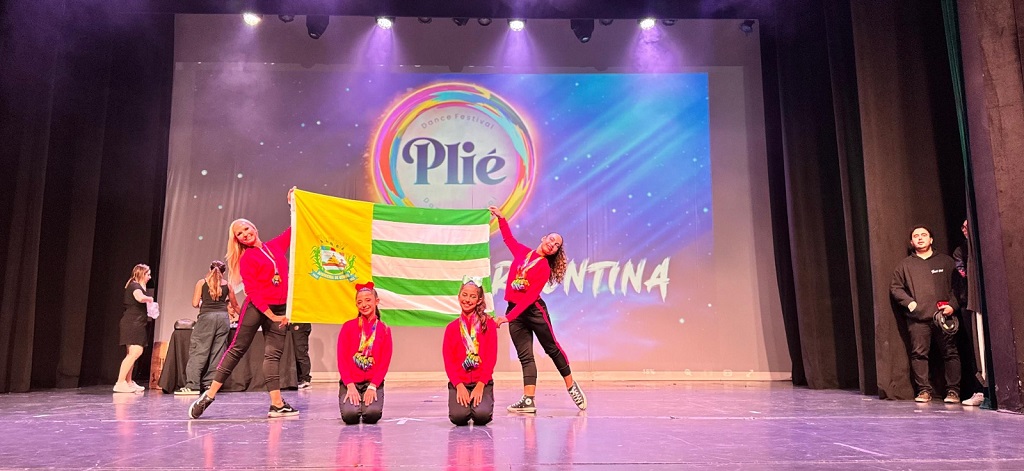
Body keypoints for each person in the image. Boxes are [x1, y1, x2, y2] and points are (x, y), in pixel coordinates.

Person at [188, 189, 298, 419]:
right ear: (237, 239)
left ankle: (277, 405)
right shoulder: (247, 258)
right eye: (239, 233)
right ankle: (209, 395)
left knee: (272, 356)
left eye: (246, 229)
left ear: (254, 228)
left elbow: (295, 229)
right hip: (259, 308)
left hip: (280, 309)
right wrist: (272, 316)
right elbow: (254, 292)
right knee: (237, 349)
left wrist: (293, 205)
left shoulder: (274, 247)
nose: (245, 234)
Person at [488, 205, 587, 413]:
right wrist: (502, 218)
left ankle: (571, 386)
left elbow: (530, 297)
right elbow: (508, 239)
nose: (552, 245)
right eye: (551, 239)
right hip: (514, 310)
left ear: (556, 251)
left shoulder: (543, 267)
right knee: (525, 356)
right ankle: (528, 399)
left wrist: (507, 317)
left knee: (551, 348)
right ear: (543, 238)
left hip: (533, 312)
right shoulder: (523, 253)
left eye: (557, 245)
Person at [890, 225, 961, 403]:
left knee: (950, 353)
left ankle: (953, 391)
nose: (920, 238)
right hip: (918, 320)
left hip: (944, 318)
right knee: (919, 354)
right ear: (911, 242)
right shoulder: (905, 265)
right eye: (916, 236)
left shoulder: (946, 262)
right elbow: (896, 288)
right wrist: (911, 304)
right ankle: (924, 390)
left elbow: (958, 287)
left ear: (931, 239)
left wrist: (953, 306)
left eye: (924, 235)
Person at [176, 261, 239, 396]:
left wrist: (205, 302)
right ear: (223, 272)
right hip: (223, 319)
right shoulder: (228, 285)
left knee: (199, 350)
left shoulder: (202, 283)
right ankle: (210, 383)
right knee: (218, 351)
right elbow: (235, 305)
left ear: (210, 270)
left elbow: (194, 303)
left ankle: (193, 386)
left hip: (206, 318)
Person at [443, 277, 498, 426]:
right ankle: (462, 401)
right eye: (464, 295)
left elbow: (491, 358)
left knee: (482, 416)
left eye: (473, 296)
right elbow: (448, 361)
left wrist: (481, 385)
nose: (467, 300)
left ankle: (484, 398)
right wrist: (458, 385)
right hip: (460, 382)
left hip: (482, 381)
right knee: (458, 417)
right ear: (459, 296)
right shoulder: (451, 328)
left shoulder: (488, 324)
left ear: (479, 300)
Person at [338, 282, 393, 425]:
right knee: (350, 416)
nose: (364, 305)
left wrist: (374, 385)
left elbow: (384, 363)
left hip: (373, 382)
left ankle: (368, 400)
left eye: (368, 300)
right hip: (351, 382)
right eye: (359, 302)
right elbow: (342, 359)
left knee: (372, 415)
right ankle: (353, 400)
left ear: (377, 301)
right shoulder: (348, 327)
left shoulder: (384, 330)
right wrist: (349, 385)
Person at [954, 219, 987, 407]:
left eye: (970, 226)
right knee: (976, 347)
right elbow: (965, 274)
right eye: (964, 227)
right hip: (970, 303)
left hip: (989, 303)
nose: (967, 230)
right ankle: (980, 390)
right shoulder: (961, 251)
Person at [115, 264, 155, 393]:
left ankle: (128, 382)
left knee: (131, 353)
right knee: (136, 352)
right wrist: (150, 299)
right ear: (141, 274)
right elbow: (139, 297)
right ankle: (120, 382)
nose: (149, 277)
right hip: (133, 323)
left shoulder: (135, 285)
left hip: (135, 322)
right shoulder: (135, 286)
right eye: (148, 274)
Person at [291, 322, 313, 389]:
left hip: (300, 323)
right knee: (293, 352)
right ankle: (299, 378)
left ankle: (305, 380)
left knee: (300, 352)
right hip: (293, 323)